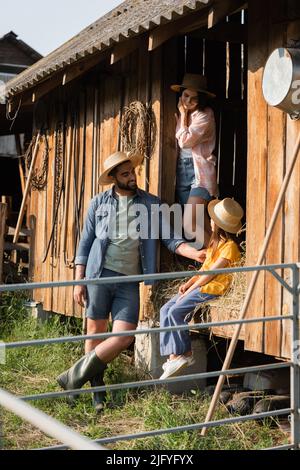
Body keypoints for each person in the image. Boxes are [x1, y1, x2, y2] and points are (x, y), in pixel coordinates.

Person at [57, 150, 207, 411]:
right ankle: (98, 394)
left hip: (130, 281)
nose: (132, 177)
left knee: (125, 336)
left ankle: (74, 377)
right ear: (113, 177)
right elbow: (85, 244)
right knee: (95, 332)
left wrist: (195, 252)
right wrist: (78, 280)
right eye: (125, 174)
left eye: (132, 172)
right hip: (99, 276)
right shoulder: (98, 204)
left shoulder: (150, 203)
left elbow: (170, 239)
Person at [159, 198, 244, 380]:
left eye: (213, 220)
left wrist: (192, 290)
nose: (210, 222)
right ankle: (172, 356)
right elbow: (203, 270)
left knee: (175, 312)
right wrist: (188, 284)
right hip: (202, 284)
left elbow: (211, 274)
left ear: (219, 224)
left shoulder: (230, 248)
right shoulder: (215, 245)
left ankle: (185, 353)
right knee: (165, 309)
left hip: (213, 288)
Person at [171, 73, 218, 247]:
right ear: (181, 94)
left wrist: (182, 117)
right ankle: (219, 259)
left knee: (189, 224)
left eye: (194, 99)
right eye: (185, 96)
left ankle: (217, 260)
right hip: (182, 172)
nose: (188, 101)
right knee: (202, 225)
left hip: (200, 172)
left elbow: (185, 141)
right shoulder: (179, 113)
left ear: (202, 100)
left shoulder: (205, 115)